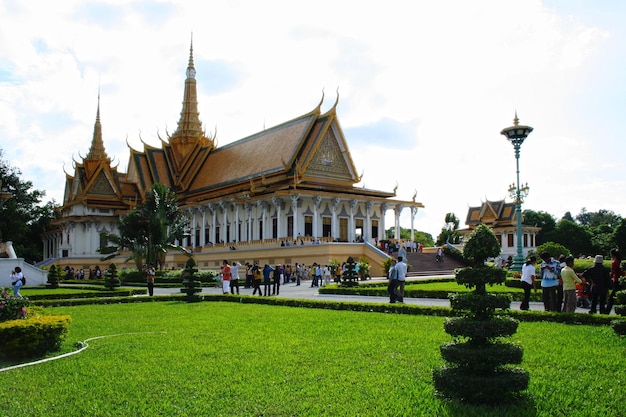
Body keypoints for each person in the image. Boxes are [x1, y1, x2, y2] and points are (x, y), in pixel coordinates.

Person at [606, 248, 622, 313]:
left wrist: (608, 278)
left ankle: (607, 311)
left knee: (612, 297)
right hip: (620, 279)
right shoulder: (619, 261)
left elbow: (612, 273)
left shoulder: (614, 262)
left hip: (616, 280)